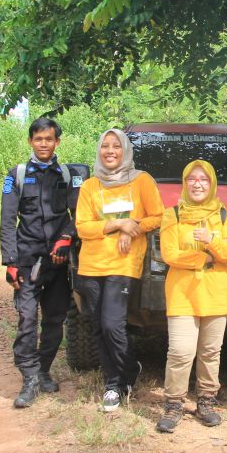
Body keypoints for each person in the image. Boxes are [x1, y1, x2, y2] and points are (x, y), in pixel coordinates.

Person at [0, 117, 89, 408]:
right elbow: (7, 221)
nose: (43, 144)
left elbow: (79, 214)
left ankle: (43, 370)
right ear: (30, 141)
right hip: (26, 261)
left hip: (58, 261)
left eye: (49, 139)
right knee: (27, 319)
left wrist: (67, 237)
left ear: (57, 142)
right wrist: (10, 261)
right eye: (38, 139)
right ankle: (29, 379)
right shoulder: (17, 175)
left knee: (54, 319)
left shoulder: (69, 175)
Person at [75, 128, 164, 412]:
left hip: (124, 263)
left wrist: (133, 226)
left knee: (113, 323)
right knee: (99, 327)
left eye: (116, 146)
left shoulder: (141, 181)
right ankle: (116, 380)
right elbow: (82, 227)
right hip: (91, 265)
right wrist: (117, 224)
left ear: (125, 151)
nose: (110, 151)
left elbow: (157, 215)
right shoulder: (90, 185)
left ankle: (120, 379)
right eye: (105, 146)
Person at [155, 160, 227, 432]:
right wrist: (204, 257)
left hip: (216, 293)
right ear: (185, 183)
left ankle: (206, 400)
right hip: (183, 293)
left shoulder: (224, 214)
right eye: (192, 179)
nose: (198, 184)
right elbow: (170, 254)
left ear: (212, 183)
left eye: (203, 179)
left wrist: (211, 241)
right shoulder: (173, 215)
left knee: (210, 352)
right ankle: (174, 403)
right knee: (181, 351)